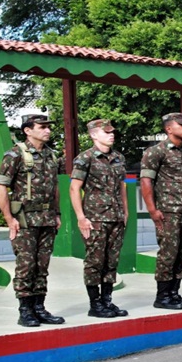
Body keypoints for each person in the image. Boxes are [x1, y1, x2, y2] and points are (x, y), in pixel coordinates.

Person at [0, 114, 64, 327]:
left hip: (47, 219)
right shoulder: (15, 154)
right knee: (26, 265)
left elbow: (55, 188)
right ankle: (25, 310)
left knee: (42, 266)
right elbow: (0, 186)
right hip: (25, 220)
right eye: (42, 127)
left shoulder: (52, 156)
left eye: (48, 127)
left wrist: (57, 213)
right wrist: (9, 219)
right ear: (27, 130)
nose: (47, 131)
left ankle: (39, 308)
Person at [70, 118, 129, 318]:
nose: (111, 135)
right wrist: (81, 217)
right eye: (106, 132)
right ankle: (95, 304)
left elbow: (122, 186)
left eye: (112, 131)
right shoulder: (85, 158)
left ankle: (107, 301)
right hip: (95, 218)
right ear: (94, 135)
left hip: (116, 217)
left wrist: (126, 212)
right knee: (95, 262)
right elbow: (74, 188)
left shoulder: (118, 158)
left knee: (111, 261)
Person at [140, 112, 182, 310]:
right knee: (168, 253)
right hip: (168, 211)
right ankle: (163, 296)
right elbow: (146, 180)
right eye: (181, 125)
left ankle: (174, 293)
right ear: (168, 129)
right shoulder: (156, 152)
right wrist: (153, 210)